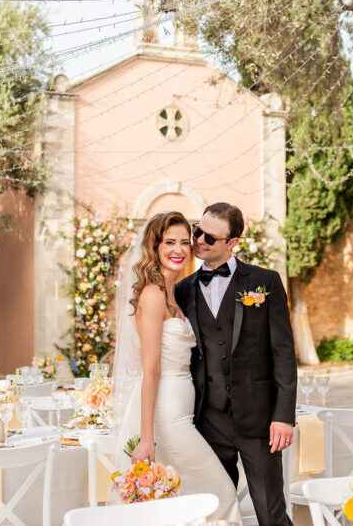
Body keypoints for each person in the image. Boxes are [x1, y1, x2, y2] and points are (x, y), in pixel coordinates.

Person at [114, 211, 241, 523]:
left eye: (185, 242)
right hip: (166, 416)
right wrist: (147, 437)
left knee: (184, 500)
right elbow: (151, 369)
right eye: (169, 242)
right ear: (155, 246)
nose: (179, 249)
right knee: (219, 494)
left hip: (184, 411)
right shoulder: (153, 294)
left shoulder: (176, 291)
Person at [175, 202, 297, 526]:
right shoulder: (182, 291)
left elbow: (283, 353)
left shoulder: (265, 282)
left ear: (232, 243)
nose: (198, 240)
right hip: (207, 421)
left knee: (271, 513)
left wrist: (284, 416)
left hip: (260, 421)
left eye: (210, 237)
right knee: (215, 513)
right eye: (197, 231)